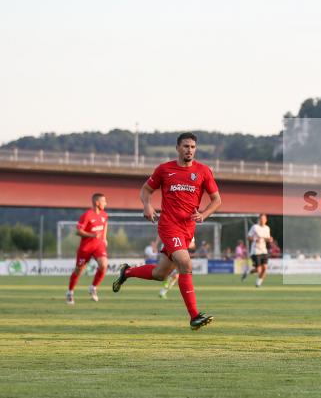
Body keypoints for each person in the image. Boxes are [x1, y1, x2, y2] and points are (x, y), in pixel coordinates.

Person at [111, 132, 221, 330]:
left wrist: (204, 214)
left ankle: (126, 272)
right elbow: (146, 190)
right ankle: (194, 316)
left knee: (160, 274)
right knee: (185, 263)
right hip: (169, 225)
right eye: (186, 146)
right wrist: (147, 205)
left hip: (188, 229)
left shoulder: (203, 171)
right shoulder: (164, 169)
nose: (189, 150)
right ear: (178, 148)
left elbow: (217, 200)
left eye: (193, 147)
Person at [66, 193, 109, 305]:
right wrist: (92, 235)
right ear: (97, 203)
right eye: (104, 201)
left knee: (104, 265)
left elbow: (105, 225)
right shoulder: (87, 215)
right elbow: (78, 231)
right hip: (86, 248)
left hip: (98, 246)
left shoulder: (104, 215)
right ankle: (70, 292)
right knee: (78, 270)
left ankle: (93, 287)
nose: (106, 203)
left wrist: (104, 238)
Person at [243, 214, 273, 287]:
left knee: (264, 268)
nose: (262, 220)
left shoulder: (267, 228)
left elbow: (267, 238)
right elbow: (248, 237)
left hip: (264, 250)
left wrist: (270, 239)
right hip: (255, 251)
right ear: (259, 219)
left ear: (266, 220)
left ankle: (258, 283)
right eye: (261, 219)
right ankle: (249, 272)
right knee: (258, 269)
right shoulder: (255, 227)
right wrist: (256, 239)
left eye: (264, 219)